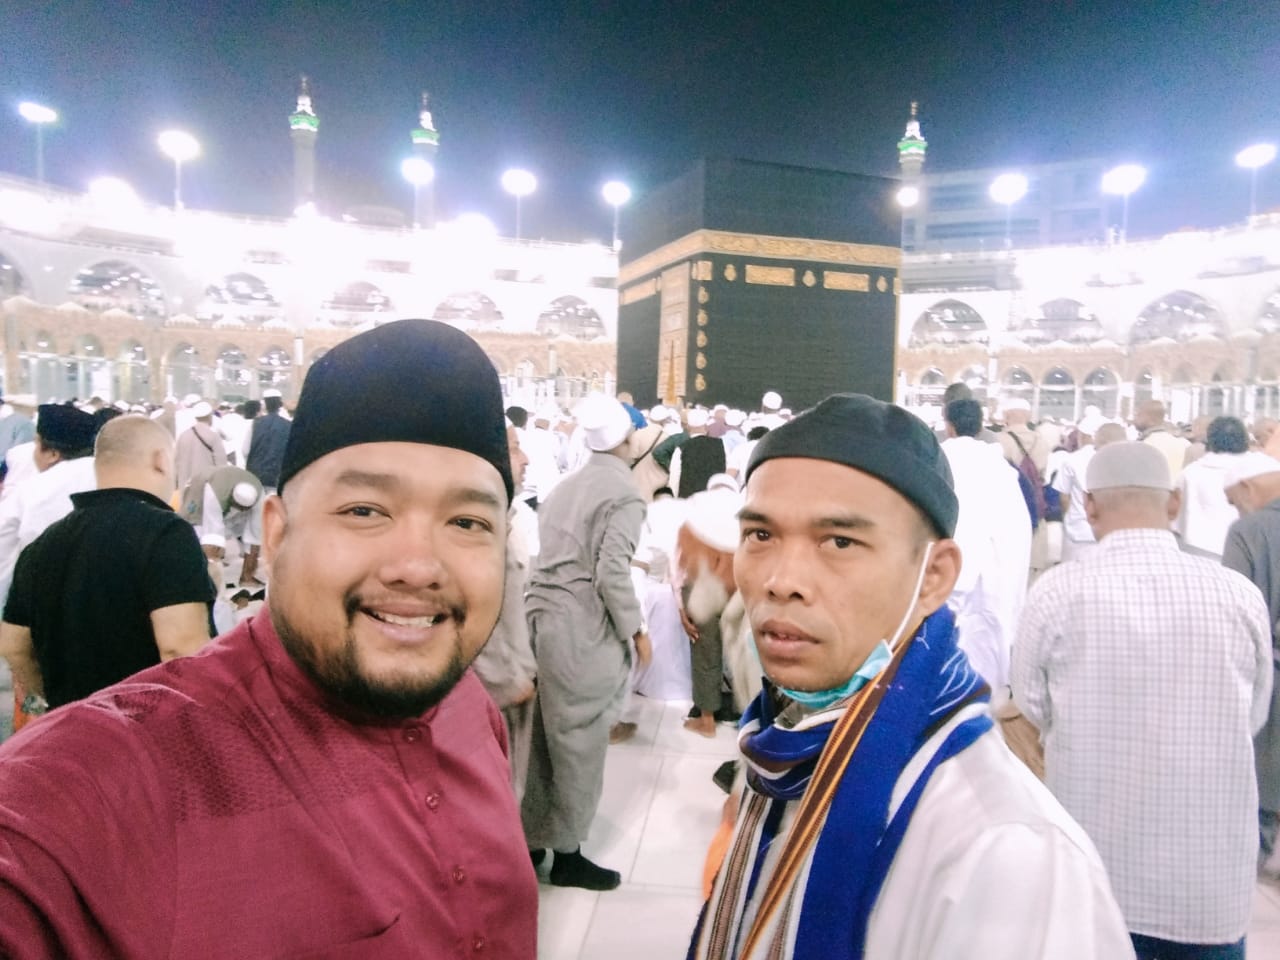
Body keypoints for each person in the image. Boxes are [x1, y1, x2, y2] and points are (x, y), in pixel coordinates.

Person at [0, 319, 537, 957]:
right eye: (364, 511)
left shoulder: (470, 707)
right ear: (277, 533)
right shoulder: (124, 781)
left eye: (467, 521)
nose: (418, 567)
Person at [691, 393, 1130, 960]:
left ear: (934, 576)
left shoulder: (1007, 855)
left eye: (839, 542)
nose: (782, 580)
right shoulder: (779, 744)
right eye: (761, 535)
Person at [1013, 441, 1272, 960]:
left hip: (1094, 875)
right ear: (1174, 502)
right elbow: (1254, 714)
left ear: (1089, 506)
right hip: (1206, 885)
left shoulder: (1057, 591)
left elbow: (1032, 705)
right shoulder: (1238, 594)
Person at [522, 393, 650, 891]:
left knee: (540, 739)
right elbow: (611, 572)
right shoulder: (623, 495)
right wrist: (636, 630)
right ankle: (569, 855)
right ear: (626, 439)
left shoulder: (564, 486)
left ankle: (532, 842)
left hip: (539, 621)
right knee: (579, 743)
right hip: (580, 631)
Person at [0, 417, 213, 714]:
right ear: (161, 460)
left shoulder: (43, 544)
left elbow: (13, 645)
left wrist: (53, 702)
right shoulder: (166, 533)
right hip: (144, 728)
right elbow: (180, 648)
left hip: (71, 725)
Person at [941, 398, 1031, 689]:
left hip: (953, 575)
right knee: (992, 643)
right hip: (1000, 575)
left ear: (949, 426)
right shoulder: (1002, 468)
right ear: (981, 426)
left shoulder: (941, 462)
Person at [470, 423, 538, 799]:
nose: (525, 459)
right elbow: (476, 613)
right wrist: (508, 680)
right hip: (496, 690)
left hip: (511, 678)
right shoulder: (478, 527)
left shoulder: (506, 517)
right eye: (514, 448)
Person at [1222, 451, 1280, 884]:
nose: (1235, 510)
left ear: (1247, 487)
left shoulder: (1249, 531)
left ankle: (1254, 866)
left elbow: (1237, 613)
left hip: (1272, 673)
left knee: (1262, 769)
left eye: (1233, 500)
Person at [1173, 415, 1248, 559]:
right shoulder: (1260, 471)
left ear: (1210, 440)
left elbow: (1175, 518)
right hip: (1244, 553)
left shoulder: (1190, 473)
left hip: (1199, 552)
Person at [180, 463, 266, 587]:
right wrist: (213, 569)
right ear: (232, 499)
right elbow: (213, 535)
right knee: (197, 531)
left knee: (254, 533)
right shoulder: (217, 492)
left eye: (244, 509)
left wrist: (248, 574)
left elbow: (254, 536)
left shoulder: (259, 498)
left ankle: (247, 578)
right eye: (239, 507)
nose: (241, 511)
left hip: (226, 485)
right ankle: (201, 581)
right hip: (200, 486)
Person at [1052, 416, 1124, 562]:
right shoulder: (1122, 460)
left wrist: (1071, 515)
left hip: (1077, 531)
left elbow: (1064, 497)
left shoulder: (1071, 460)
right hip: (1110, 531)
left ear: (1083, 435)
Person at [173, 400, 227, 497]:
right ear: (210, 416)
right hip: (205, 486)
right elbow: (221, 464)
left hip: (185, 487)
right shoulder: (213, 436)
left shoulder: (183, 435)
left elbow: (176, 462)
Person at [244, 389, 291, 494]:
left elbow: (245, 450)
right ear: (280, 404)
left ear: (264, 404)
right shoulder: (288, 425)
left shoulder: (254, 423)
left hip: (256, 475)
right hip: (278, 475)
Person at [1134, 399, 1189, 480]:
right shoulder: (1185, 444)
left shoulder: (1143, 446)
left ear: (1150, 418)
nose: (1135, 419)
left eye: (1138, 415)